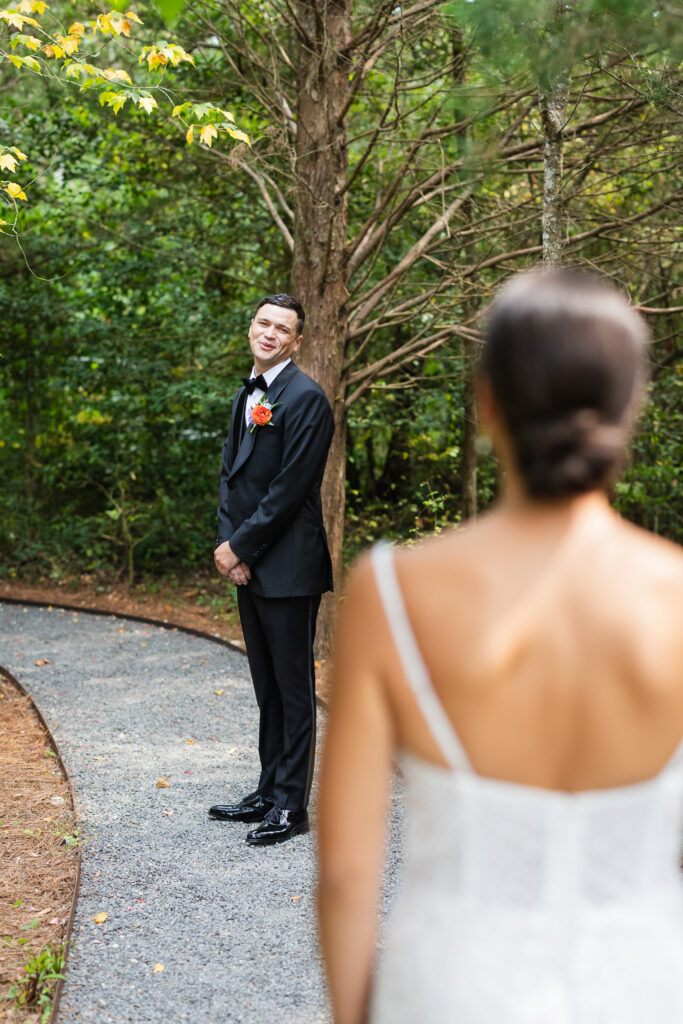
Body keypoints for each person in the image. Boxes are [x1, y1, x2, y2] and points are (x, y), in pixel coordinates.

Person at [318, 269, 683, 1023]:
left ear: (486, 402)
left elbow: (348, 874)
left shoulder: (393, 591)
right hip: (645, 988)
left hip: (447, 989)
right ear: (629, 407)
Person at [210, 293, 334, 846]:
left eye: (283, 328)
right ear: (251, 326)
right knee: (267, 689)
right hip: (250, 562)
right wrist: (226, 544)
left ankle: (291, 806)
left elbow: (289, 491)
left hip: (288, 566)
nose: (270, 333)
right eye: (264, 322)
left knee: (293, 688)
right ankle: (267, 788)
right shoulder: (247, 393)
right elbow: (231, 478)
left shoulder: (307, 399)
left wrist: (243, 548)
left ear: (297, 340)